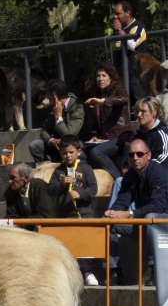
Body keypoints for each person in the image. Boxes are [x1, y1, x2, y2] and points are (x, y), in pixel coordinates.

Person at [104, 138, 168, 286]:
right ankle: (115, 271)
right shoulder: (130, 176)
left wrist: (129, 214)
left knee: (151, 218)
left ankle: (154, 271)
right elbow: (122, 200)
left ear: (149, 155)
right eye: (131, 155)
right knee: (110, 224)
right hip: (143, 223)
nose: (135, 158)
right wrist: (111, 213)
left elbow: (157, 207)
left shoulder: (159, 173)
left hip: (163, 223)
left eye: (140, 154)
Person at [48, 135, 99, 285]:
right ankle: (69, 275)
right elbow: (50, 190)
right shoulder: (59, 172)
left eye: (71, 152)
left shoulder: (86, 168)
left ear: (78, 152)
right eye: (64, 153)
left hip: (84, 214)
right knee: (67, 247)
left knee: (86, 245)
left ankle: (88, 272)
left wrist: (81, 194)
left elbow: (93, 189)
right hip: (65, 215)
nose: (68, 156)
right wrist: (61, 184)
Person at [82, 62, 131, 180]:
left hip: (120, 137)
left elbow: (125, 99)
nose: (100, 79)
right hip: (104, 139)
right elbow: (95, 123)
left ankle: (119, 179)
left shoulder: (118, 89)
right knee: (80, 153)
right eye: (98, 76)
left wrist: (103, 101)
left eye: (104, 75)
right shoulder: (96, 95)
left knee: (96, 153)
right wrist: (94, 135)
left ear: (111, 77)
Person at [29, 79, 85, 163]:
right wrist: (52, 140)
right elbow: (44, 131)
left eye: (47, 94)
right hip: (58, 144)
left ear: (54, 95)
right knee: (35, 146)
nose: (47, 97)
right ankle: (49, 169)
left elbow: (69, 135)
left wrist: (58, 117)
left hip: (75, 143)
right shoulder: (53, 106)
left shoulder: (77, 106)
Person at [111, 1, 147, 106]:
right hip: (120, 73)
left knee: (140, 99)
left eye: (118, 13)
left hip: (134, 72)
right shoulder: (118, 30)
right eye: (114, 13)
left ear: (127, 12)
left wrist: (119, 30)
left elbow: (132, 45)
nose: (115, 17)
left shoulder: (138, 26)